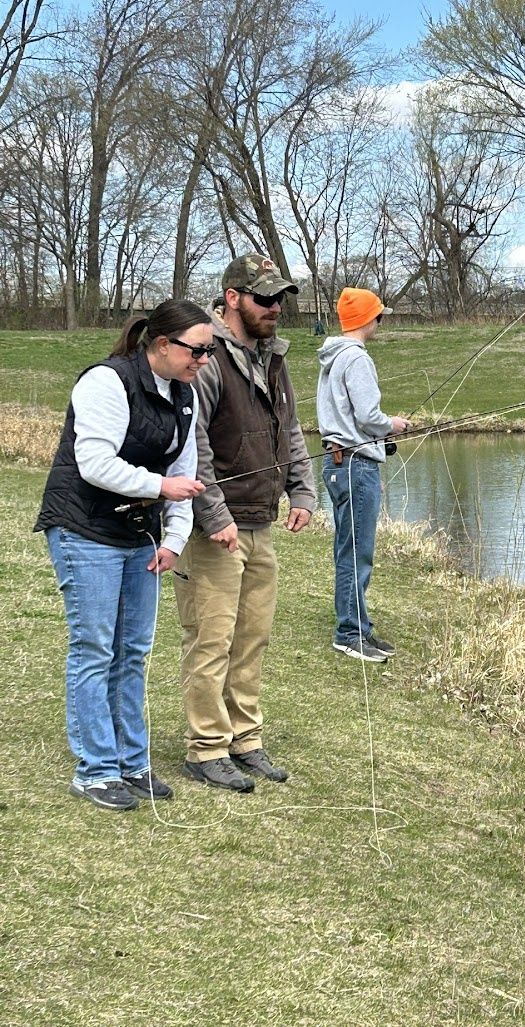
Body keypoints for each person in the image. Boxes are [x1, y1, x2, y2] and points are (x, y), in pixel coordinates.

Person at [35, 300, 213, 811]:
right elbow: (94, 462)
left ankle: (132, 763)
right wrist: (160, 486)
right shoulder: (106, 382)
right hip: (83, 528)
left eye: (209, 351)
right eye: (197, 350)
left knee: (132, 651)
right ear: (163, 345)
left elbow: (186, 472)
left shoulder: (185, 394)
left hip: (141, 537)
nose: (203, 360)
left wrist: (175, 540)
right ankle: (95, 770)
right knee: (95, 648)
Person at [175, 252, 316, 793]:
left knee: (251, 637)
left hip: (260, 521)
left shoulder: (274, 358)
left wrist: (302, 490)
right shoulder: (205, 359)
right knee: (211, 638)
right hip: (214, 528)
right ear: (232, 298)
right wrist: (213, 516)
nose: (275, 307)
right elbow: (195, 447)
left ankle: (245, 739)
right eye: (264, 297)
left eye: (280, 297)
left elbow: (293, 431)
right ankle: (206, 747)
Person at [316, 287, 410, 664]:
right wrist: (395, 424)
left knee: (351, 548)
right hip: (354, 463)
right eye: (379, 316)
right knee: (357, 551)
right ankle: (350, 633)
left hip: (343, 463)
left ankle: (359, 625)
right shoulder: (355, 358)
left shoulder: (332, 356)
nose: (380, 321)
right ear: (369, 319)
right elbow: (369, 417)